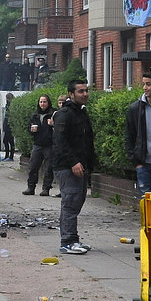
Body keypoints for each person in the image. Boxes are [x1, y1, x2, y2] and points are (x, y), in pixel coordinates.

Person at [52, 78, 95, 255]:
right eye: (80, 91)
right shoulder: (65, 114)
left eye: (86, 90)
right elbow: (60, 141)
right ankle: (67, 241)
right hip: (67, 166)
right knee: (70, 202)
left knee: (76, 201)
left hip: (79, 164)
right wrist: (73, 162)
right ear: (71, 94)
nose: (85, 94)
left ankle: (72, 238)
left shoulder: (81, 113)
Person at [23, 95, 55, 196]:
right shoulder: (35, 115)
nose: (42, 104)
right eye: (41, 102)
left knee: (48, 168)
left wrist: (53, 124)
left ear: (48, 103)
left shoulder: (53, 114)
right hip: (37, 144)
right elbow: (29, 127)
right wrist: (31, 130)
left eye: (44, 102)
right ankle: (31, 187)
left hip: (49, 144)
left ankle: (46, 188)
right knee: (33, 166)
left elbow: (60, 128)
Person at [1, 92, 16, 161]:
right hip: (6, 125)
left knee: (10, 141)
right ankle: (7, 155)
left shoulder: (11, 106)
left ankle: (10, 156)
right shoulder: (7, 105)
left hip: (9, 126)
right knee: (5, 141)